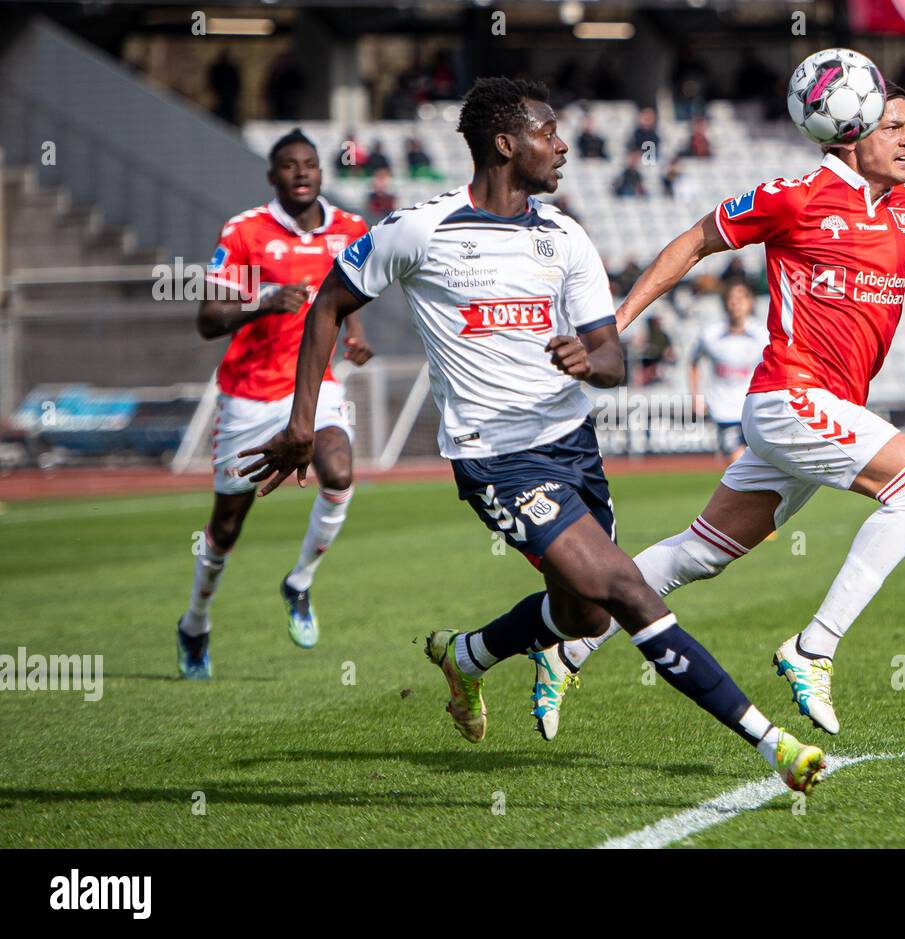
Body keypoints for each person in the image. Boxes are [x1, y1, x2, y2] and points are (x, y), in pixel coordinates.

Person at [237, 77, 828, 793]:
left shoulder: (565, 235)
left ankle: (469, 655)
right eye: (549, 132)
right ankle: (773, 745)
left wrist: (595, 360)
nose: (563, 146)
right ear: (504, 143)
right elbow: (330, 301)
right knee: (626, 588)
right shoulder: (421, 230)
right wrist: (303, 421)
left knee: (582, 613)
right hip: (497, 458)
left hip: (574, 445)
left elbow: (612, 355)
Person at [532, 79, 905, 738]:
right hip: (790, 396)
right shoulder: (795, 197)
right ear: (854, 128)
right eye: (896, 126)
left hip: (824, 412)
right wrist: (616, 322)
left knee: (698, 553)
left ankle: (565, 647)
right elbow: (694, 242)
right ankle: (813, 648)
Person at [176, 128, 374, 680]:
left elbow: (350, 290)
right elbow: (206, 320)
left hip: (315, 387)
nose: (302, 172)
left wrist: (354, 330)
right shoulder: (245, 232)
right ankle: (195, 621)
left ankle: (300, 582)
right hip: (248, 396)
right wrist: (261, 305)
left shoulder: (351, 228)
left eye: (310, 163)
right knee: (228, 525)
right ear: (273, 176)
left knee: (339, 472)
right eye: (289, 165)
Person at [690, 281, 766, 464]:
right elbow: (693, 363)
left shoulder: (762, 334)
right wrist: (696, 396)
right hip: (723, 409)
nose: (736, 303)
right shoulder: (710, 334)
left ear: (750, 302)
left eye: (741, 298)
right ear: (725, 303)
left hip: (753, 408)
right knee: (736, 461)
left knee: (759, 463)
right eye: (732, 298)